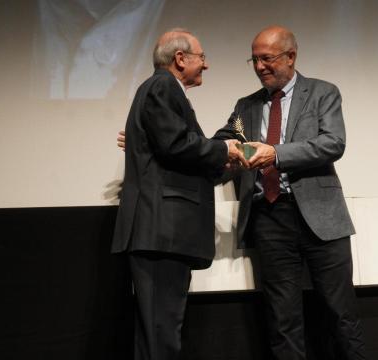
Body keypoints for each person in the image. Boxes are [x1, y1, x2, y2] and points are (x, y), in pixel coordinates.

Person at [213, 25, 366, 359]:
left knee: (340, 312)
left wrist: (277, 154)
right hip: (269, 217)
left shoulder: (323, 92)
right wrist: (161, 142)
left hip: (321, 215)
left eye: (267, 59)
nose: (259, 67)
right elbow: (224, 141)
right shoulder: (246, 107)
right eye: (254, 60)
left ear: (291, 56)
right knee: (282, 318)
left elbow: (332, 142)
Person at [111, 29, 247, 360]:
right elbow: (174, 144)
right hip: (162, 232)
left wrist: (230, 161)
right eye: (202, 57)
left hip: (164, 234)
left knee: (158, 331)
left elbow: (175, 157)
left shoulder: (166, 90)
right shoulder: (161, 86)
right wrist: (222, 147)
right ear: (180, 58)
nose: (207, 65)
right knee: (161, 332)